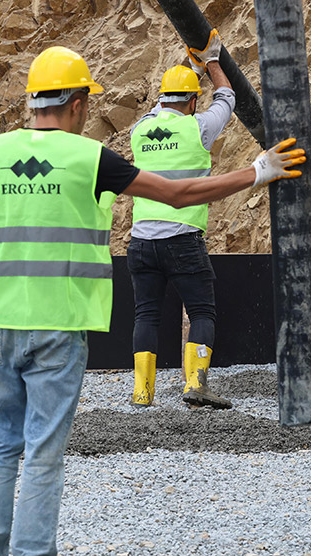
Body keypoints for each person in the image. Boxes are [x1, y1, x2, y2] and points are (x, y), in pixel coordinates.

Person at [0, 45, 305, 556]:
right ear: (76, 104)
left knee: (0, 445)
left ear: (33, 100)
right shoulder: (89, 158)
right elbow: (178, 194)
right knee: (43, 452)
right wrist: (257, 171)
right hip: (59, 328)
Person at [127, 29, 236, 410]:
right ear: (192, 101)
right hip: (183, 240)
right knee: (202, 311)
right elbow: (227, 97)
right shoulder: (198, 128)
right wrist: (212, 60)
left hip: (141, 241)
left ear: (161, 99)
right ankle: (196, 384)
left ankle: (143, 394)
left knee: (146, 315)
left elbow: (160, 108)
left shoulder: (139, 130)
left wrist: (190, 69)